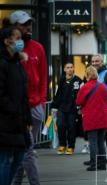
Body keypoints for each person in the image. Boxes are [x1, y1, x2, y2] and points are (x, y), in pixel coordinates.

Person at [10, 10, 47, 185]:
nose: (28, 27)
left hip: (35, 106)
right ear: (14, 27)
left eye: (29, 23)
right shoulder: (10, 48)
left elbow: (43, 76)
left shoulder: (38, 47)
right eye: (24, 24)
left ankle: (15, 181)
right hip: (17, 108)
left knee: (23, 149)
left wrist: (41, 99)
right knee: (27, 149)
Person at [0, 24, 32, 185]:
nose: (21, 42)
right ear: (7, 41)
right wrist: (14, 110)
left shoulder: (16, 63)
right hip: (6, 120)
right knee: (5, 158)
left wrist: (27, 118)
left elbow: (23, 94)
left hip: (18, 120)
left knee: (19, 155)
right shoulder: (3, 63)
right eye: (17, 38)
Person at [76, 66, 107, 171]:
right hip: (103, 117)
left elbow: (78, 102)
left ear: (87, 75)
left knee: (93, 142)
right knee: (101, 142)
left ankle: (94, 164)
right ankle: (102, 164)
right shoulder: (102, 86)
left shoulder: (85, 87)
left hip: (91, 118)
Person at [51, 62, 83, 155]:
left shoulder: (79, 81)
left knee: (71, 127)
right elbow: (57, 95)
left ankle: (71, 146)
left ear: (73, 69)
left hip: (73, 108)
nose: (70, 69)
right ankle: (62, 145)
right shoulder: (61, 80)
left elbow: (82, 94)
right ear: (64, 69)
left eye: (71, 67)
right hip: (61, 108)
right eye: (68, 67)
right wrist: (54, 107)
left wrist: (80, 107)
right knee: (60, 125)